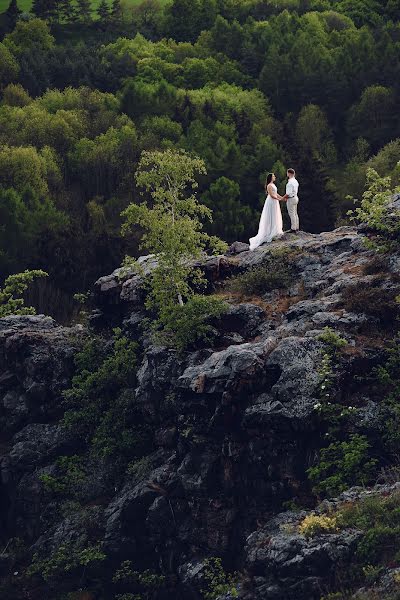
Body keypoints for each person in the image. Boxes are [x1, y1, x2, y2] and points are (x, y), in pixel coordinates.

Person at [249, 173, 286, 251]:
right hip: (271, 202)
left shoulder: (273, 184)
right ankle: (269, 232)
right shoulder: (269, 185)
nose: (275, 177)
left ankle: (274, 230)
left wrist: (282, 198)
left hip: (275, 201)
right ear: (270, 178)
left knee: (275, 215)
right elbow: (272, 195)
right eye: (273, 176)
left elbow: (276, 193)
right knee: (270, 215)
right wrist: (280, 199)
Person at [283, 168, 300, 232]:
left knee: (292, 214)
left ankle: (293, 228)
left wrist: (282, 198)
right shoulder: (295, 181)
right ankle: (297, 227)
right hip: (295, 197)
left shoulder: (290, 183)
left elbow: (288, 193)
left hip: (291, 199)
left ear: (289, 173)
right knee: (295, 213)